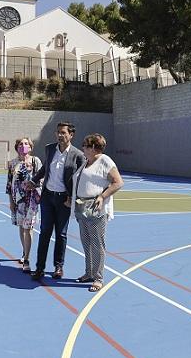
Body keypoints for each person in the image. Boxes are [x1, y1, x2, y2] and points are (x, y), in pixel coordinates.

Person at [27, 122, 85, 280]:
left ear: (71, 135)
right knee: (45, 232)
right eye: (58, 132)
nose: (60, 135)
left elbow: (79, 179)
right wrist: (34, 181)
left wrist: (72, 198)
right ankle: (39, 268)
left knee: (61, 234)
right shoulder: (50, 148)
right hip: (47, 197)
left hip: (64, 200)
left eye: (63, 133)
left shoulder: (78, 155)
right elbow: (45, 168)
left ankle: (58, 266)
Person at [71, 133, 124, 292]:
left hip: (95, 209)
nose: (83, 148)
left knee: (97, 244)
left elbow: (118, 182)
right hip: (83, 208)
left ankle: (99, 278)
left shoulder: (105, 161)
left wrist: (102, 196)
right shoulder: (87, 162)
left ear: (94, 147)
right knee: (86, 243)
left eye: (85, 145)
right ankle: (89, 273)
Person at [6, 137, 42, 272]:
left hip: (32, 200)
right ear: (17, 147)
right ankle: (24, 251)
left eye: (26, 143)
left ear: (31, 147)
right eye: (21, 144)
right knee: (21, 227)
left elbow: (42, 179)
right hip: (18, 201)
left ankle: (26, 259)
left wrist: (35, 187)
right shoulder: (12, 163)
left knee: (29, 228)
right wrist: (11, 202)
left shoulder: (35, 161)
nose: (23, 146)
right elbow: (9, 184)